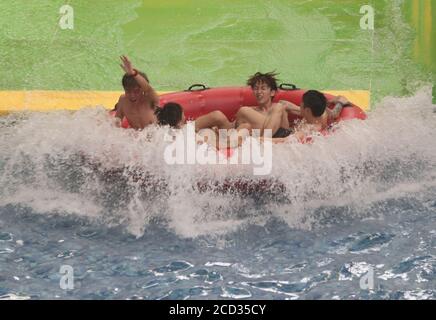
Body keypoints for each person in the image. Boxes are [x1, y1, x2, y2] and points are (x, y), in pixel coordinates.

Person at [262, 90, 350, 143]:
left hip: (285, 136)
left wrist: (258, 140)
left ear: (307, 110)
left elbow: (286, 141)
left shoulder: (308, 128)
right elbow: (334, 113)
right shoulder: (323, 114)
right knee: (282, 104)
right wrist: (340, 102)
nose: (300, 104)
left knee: (281, 106)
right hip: (291, 128)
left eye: (301, 103)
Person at [156, 102, 249, 148]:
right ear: (180, 120)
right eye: (183, 114)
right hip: (215, 144)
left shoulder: (168, 133)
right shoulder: (188, 136)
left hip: (204, 137)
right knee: (246, 127)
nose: (185, 116)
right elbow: (217, 146)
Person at [114, 55, 159, 130]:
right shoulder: (123, 101)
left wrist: (133, 73)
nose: (132, 95)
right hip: (137, 140)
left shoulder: (149, 99)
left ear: (142, 89)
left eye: (136, 91)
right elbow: (115, 124)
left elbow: (148, 88)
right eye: (128, 91)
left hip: (155, 139)